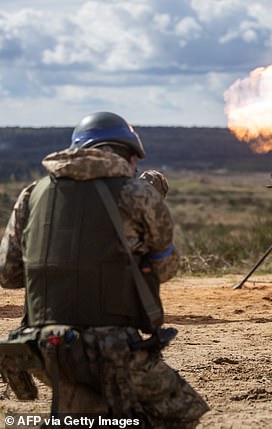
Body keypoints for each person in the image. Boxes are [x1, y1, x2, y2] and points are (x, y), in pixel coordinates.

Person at [0, 112, 208, 426]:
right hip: (112, 350)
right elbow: (165, 268)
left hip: (42, 349)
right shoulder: (138, 194)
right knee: (182, 412)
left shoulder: (32, 194)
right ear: (130, 155)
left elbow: (8, 274)